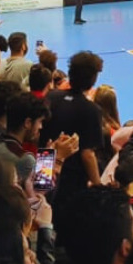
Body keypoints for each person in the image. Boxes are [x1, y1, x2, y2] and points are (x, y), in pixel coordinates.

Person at [44, 51, 106, 216]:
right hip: (71, 180)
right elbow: (87, 154)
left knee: (41, 209)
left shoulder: (51, 96)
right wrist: (98, 186)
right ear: (93, 79)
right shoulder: (91, 110)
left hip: (44, 167)